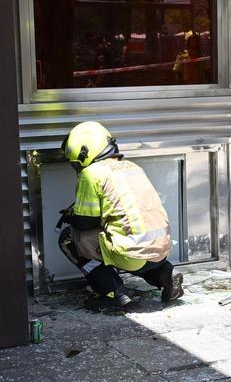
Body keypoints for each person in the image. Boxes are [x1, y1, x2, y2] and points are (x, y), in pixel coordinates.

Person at [57, 121, 182, 310]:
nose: (75, 168)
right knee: (127, 245)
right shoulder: (132, 167)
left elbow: (85, 223)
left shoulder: (91, 173)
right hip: (161, 249)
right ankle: (164, 275)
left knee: (70, 239)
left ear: (84, 153)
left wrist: (69, 217)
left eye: (74, 162)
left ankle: (112, 293)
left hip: (132, 254)